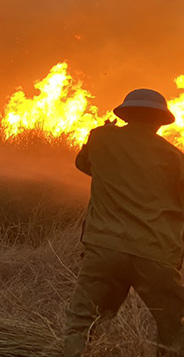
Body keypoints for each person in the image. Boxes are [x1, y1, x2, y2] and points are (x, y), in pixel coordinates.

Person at [64, 88, 184, 356]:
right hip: (154, 253)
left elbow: (84, 164)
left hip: (104, 248)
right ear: (159, 121)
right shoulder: (174, 158)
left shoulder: (101, 138)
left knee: (81, 323)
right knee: (174, 327)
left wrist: (107, 137)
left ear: (126, 114)